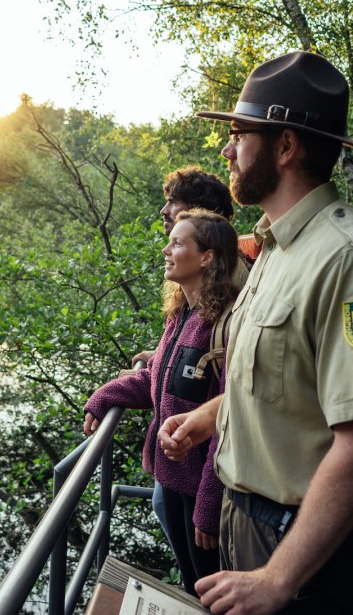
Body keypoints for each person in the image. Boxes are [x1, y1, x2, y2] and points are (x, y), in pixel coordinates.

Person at [157, 51, 353, 614]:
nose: (227, 149)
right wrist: (211, 416)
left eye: (240, 135)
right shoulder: (274, 245)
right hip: (245, 521)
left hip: (300, 550)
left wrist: (277, 578)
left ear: (286, 147)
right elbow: (283, 380)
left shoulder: (349, 258)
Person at [83, 208, 240, 596]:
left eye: (177, 243)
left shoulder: (225, 322)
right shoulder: (180, 315)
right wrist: (105, 397)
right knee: (191, 585)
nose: (166, 250)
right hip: (171, 477)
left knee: (209, 590)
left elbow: (231, 414)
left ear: (207, 256)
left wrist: (208, 501)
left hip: (204, 487)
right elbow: (158, 382)